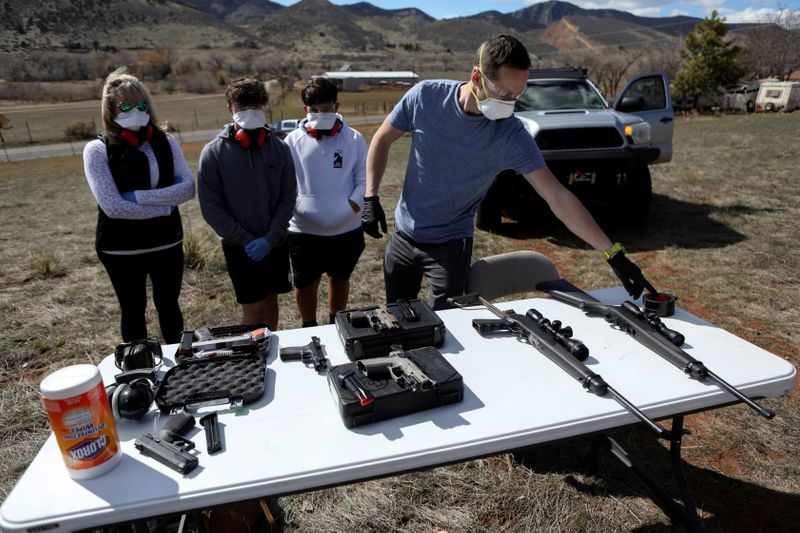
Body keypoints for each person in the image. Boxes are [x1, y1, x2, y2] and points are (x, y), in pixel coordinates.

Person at [361, 34, 656, 310]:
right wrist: (370, 197)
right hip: (403, 236)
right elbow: (382, 139)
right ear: (476, 77)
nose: (509, 104)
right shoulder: (425, 97)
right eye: (503, 92)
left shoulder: (511, 136)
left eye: (517, 95)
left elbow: (558, 198)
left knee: (446, 329)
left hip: (450, 246)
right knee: (398, 319)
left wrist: (613, 254)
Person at [83, 67, 195, 344]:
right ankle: (139, 368)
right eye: (126, 105)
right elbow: (113, 207)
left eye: (142, 104)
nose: (136, 110)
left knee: (169, 306)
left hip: (166, 242)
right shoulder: (97, 150)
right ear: (111, 109)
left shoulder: (166, 142)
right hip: (121, 248)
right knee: (133, 309)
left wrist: (138, 197)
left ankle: (177, 362)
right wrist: (164, 204)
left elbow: (188, 188)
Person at [198, 78, 297, 329]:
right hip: (239, 247)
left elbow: (288, 197)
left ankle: (271, 353)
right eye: (242, 106)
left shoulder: (280, 149)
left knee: (271, 303)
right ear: (230, 109)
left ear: (264, 106)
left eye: (255, 105)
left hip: (274, 242)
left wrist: (271, 237)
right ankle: (253, 361)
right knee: (253, 311)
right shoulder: (213, 153)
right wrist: (245, 239)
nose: (249, 111)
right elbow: (211, 208)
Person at [284, 77, 367, 327]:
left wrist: (351, 207)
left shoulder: (354, 139)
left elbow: (363, 178)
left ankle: (336, 322)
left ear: (337, 106)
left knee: (340, 278)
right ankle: (308, 324)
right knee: (305, 282)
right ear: (305, 110)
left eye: (327, 108)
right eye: (314, 110)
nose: (321, 114)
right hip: (303, 230)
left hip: (347, 227)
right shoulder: (291, 141)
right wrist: (300, 209)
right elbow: (286, 184)